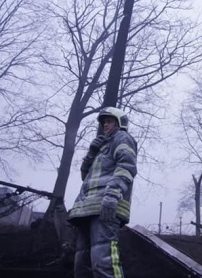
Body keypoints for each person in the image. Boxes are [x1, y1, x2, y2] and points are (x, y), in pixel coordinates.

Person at [68, 106, 138, 278]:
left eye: (109, 121)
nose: (105, 125)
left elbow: (126, 167)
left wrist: (112, 194)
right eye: (103, 122)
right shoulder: (100, 146)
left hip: (106, 206)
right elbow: (85, 175)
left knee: (104, 263)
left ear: (120, 122)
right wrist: (91, 153)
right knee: (82, 267)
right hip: (87, 208)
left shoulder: (123, 138)